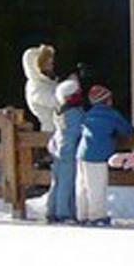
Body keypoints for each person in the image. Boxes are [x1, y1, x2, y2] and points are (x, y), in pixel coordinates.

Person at [76, 85, 134, 227]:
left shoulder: (88, 114)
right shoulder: (111, 114)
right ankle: (97, 216)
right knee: (97, 186)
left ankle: (82, 214)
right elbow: (127, 130)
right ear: (107, 100)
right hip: (98, 155)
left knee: (82, 186)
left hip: (82, 153)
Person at [46, 80, 86, 224]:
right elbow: (75, 131)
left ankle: (51, 210)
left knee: (56, 180)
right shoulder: (74, 112)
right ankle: (63, 212)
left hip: (58, 148)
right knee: (66, 182)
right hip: (69, 150)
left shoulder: (60, 110)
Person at [21, 45, 58, 132]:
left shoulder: (50, 82)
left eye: (51, 63)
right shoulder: (35, 87)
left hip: (63, 128)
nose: (51, 67)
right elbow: (55, 102)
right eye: (47, 64)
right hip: (51, 131)